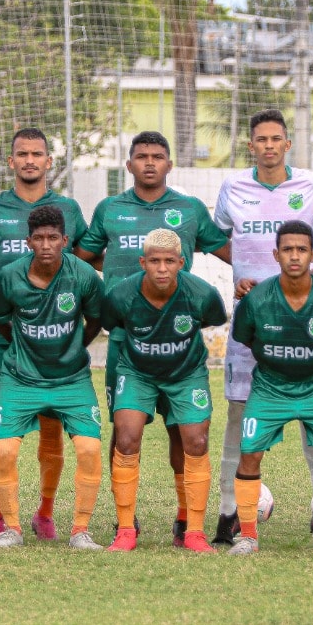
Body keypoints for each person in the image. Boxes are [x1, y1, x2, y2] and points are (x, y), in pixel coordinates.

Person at [75, 130, 230, 545]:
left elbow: (222, 248)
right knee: (125, 431)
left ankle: (186, 522)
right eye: (141, 156)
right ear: (129, 165)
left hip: (178, 345)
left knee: (187, 434)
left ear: (168, 164)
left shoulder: (190, 209)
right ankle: (126, 523)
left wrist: (256, 276)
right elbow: (83, 254)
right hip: (128, 341)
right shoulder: (110, 208)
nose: (149, 162)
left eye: (157, 156)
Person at [214, 108, 313, 549]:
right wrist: (242, 279)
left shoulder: (310, 185)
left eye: (276, 139)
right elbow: (217, 238)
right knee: (238, 415)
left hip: (304, 321)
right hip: (251, 322)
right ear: (250, 145)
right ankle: (228, 511)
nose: (268, 146)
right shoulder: (233, 186)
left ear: (288, 144)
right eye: (261, 140)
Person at [0, 127, 88, 541]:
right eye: (22, 153)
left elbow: (87, 258)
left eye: (38, 153)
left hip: (57, 339)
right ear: (11, 161)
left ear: (48, 161)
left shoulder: (68, 208)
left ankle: (45, 511)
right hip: (5, 338)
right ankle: (4, 516)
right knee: (1, 428)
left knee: (53, 426)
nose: (30, 160)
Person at [228, 221, 313, 556]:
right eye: (287, 249)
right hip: (270, 388)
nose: (294, 256)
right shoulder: (257, 299)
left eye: (302, 249)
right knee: (249, 454)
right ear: (276, 254)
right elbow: (245, 336)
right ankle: (247, 537)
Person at [0, 205, 106, 549]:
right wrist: (27, 349)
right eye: (39, 238)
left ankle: (80, 531)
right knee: (4, 449)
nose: (47, 244)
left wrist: (73, 349)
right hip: (21, 377)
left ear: (65, 240)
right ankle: (11, 529)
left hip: (71, 378)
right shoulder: (8, 277)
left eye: (54, 237)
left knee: (88, 448)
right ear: (28, 242)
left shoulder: (83, 275)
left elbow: (95, 320)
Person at [100, 229, 227, 553]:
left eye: (169, 261)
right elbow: (111, 322)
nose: (161, 268)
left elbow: (214, 318)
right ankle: (126, 530)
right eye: (154, 261)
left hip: (186, 374)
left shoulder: (202, 294)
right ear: (142, 262)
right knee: (126, 438)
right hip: (137, 372)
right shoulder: (121, 295)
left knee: (195, 442)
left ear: (181, 263)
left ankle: (192, 529)